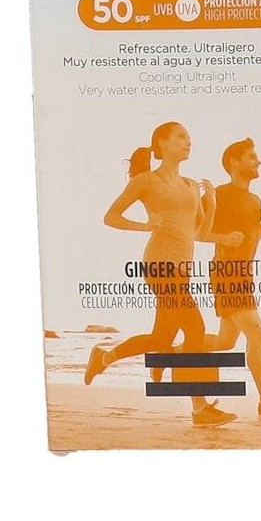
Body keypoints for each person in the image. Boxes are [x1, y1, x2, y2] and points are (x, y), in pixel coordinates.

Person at [84, 121, 236, 428]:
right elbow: (110, 217)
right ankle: (200, 408)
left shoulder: (191, 185)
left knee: (161, 337)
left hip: (183, 269)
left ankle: (103, 358)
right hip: (159, 265)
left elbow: (199, 233)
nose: (188, 142)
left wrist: (212, 203)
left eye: (189, 138)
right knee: (195, 328)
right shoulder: (146, 181)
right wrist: (145, 226)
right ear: (161, 143)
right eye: (181, 136)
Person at [190, 137, 261, 419]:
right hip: (226, 273)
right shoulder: (219, 194)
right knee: (258, 333)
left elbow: (249, 243)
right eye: (252, 157)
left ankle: (174, 351)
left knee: (225, 342)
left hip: (244, 274)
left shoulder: (255, 202)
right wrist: (222, 238)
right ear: (234, 162)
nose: (259, 161)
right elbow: (196, 232)